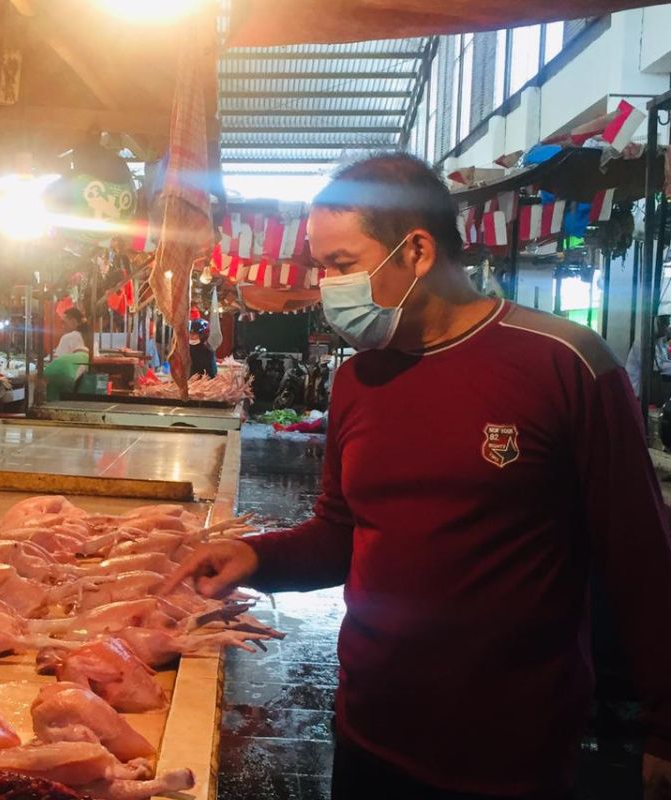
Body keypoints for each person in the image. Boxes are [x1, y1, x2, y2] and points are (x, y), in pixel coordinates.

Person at [164, 153, 671, 800]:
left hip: (513, 755)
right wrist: (250, 557)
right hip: (370, 730)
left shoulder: (565, 364)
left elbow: (640, 558)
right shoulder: (358, 381)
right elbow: (340, 536)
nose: (326, 288)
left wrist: (664, 728)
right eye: (321, 269)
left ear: (418, 250)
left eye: (341, 265)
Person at [626, 313, 671, 397]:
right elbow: (656, 367)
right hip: (637, 393)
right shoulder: (642, 342)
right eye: (666, 324)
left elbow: (664, 362)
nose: (668, 328)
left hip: (649, 390)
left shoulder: (659, 341)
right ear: (656, 324)